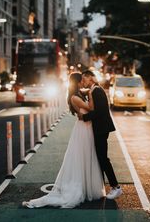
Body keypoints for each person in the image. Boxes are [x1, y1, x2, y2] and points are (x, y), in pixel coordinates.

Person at [22, 72, 105, 209]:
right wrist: (90, 93)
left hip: (87, 127)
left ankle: (88, 187)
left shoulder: (79, 95)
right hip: (83, 130)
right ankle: (81, 187)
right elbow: (91, 108)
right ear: (78, 83)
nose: (84, 82)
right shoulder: (74, 97)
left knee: (88, 156)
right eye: (82, 80)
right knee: (82, 157)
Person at [81, 70, 122, 200]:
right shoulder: (94, 89)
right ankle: (103, 186)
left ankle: (116, 187)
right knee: (100, 158)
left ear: (90, 78)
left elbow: (101, 111)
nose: (83, 82)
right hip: (100, 128)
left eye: (84, 79)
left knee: (103, 158)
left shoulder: (97, 90)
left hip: (102, 128)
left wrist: (84, 117)